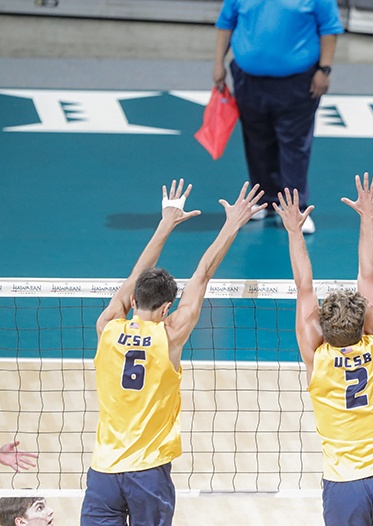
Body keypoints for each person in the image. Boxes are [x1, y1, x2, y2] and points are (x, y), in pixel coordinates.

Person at [80, 179, 266, 526]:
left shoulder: (107, 326)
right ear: (167, 307)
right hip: (148, 474)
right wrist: (231, 223)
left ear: (133, 300)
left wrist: (165, 222)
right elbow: (203, 273)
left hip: (104, 471)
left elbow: (135, 275)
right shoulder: (171, 334)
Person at [275, 174, 373, 526]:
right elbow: (368, 274)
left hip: (343, 485)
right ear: (364, 322)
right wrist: (368, 217)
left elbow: (303, 285)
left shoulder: (316, 357)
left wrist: (293, 231)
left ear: (322, 327)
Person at [213, 0, 345, 235]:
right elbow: (226, 23)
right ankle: (264, 201)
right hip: (248, 80)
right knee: (256, 141)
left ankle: (296, 210)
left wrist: (324, 69)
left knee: (294, 145)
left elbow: (329, 28)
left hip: (297, 82)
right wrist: (218, 64)